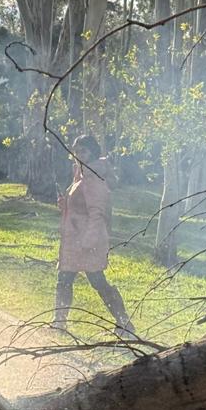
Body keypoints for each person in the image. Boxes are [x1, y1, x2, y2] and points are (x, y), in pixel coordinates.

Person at [54, 135, 136, 337]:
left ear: (93, 152)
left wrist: (89, 241)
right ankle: (59, 322)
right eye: (76, 151)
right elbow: (80, 207)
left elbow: (97, 212)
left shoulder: (93, 175)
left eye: (83, 151)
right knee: (64, 278)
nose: (77, 155)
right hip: (75, 240)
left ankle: (125, 324)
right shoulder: (81, 174)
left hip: (88, 241)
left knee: (97, 281)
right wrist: (65, 205)